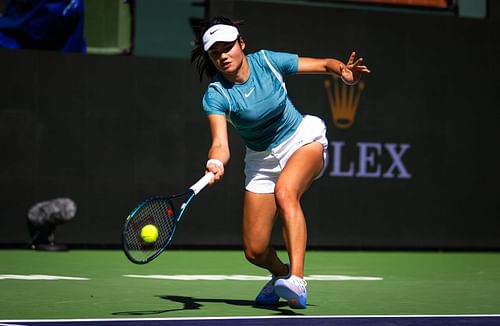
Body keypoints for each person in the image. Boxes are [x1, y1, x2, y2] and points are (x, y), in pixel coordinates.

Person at [191, 16, 370, 309]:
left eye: (227, 47)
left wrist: (344, 73)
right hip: (261, 161)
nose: (223, 55)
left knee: (286, 192)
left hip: (301, 140)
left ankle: (297, 279)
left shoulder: (268, 62)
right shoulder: (216, 93)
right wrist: (215, 161)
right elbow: (221, 144)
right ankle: (281, 275)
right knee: (255, 250)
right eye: (215, 52)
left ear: (242, 44)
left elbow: (326, 64)